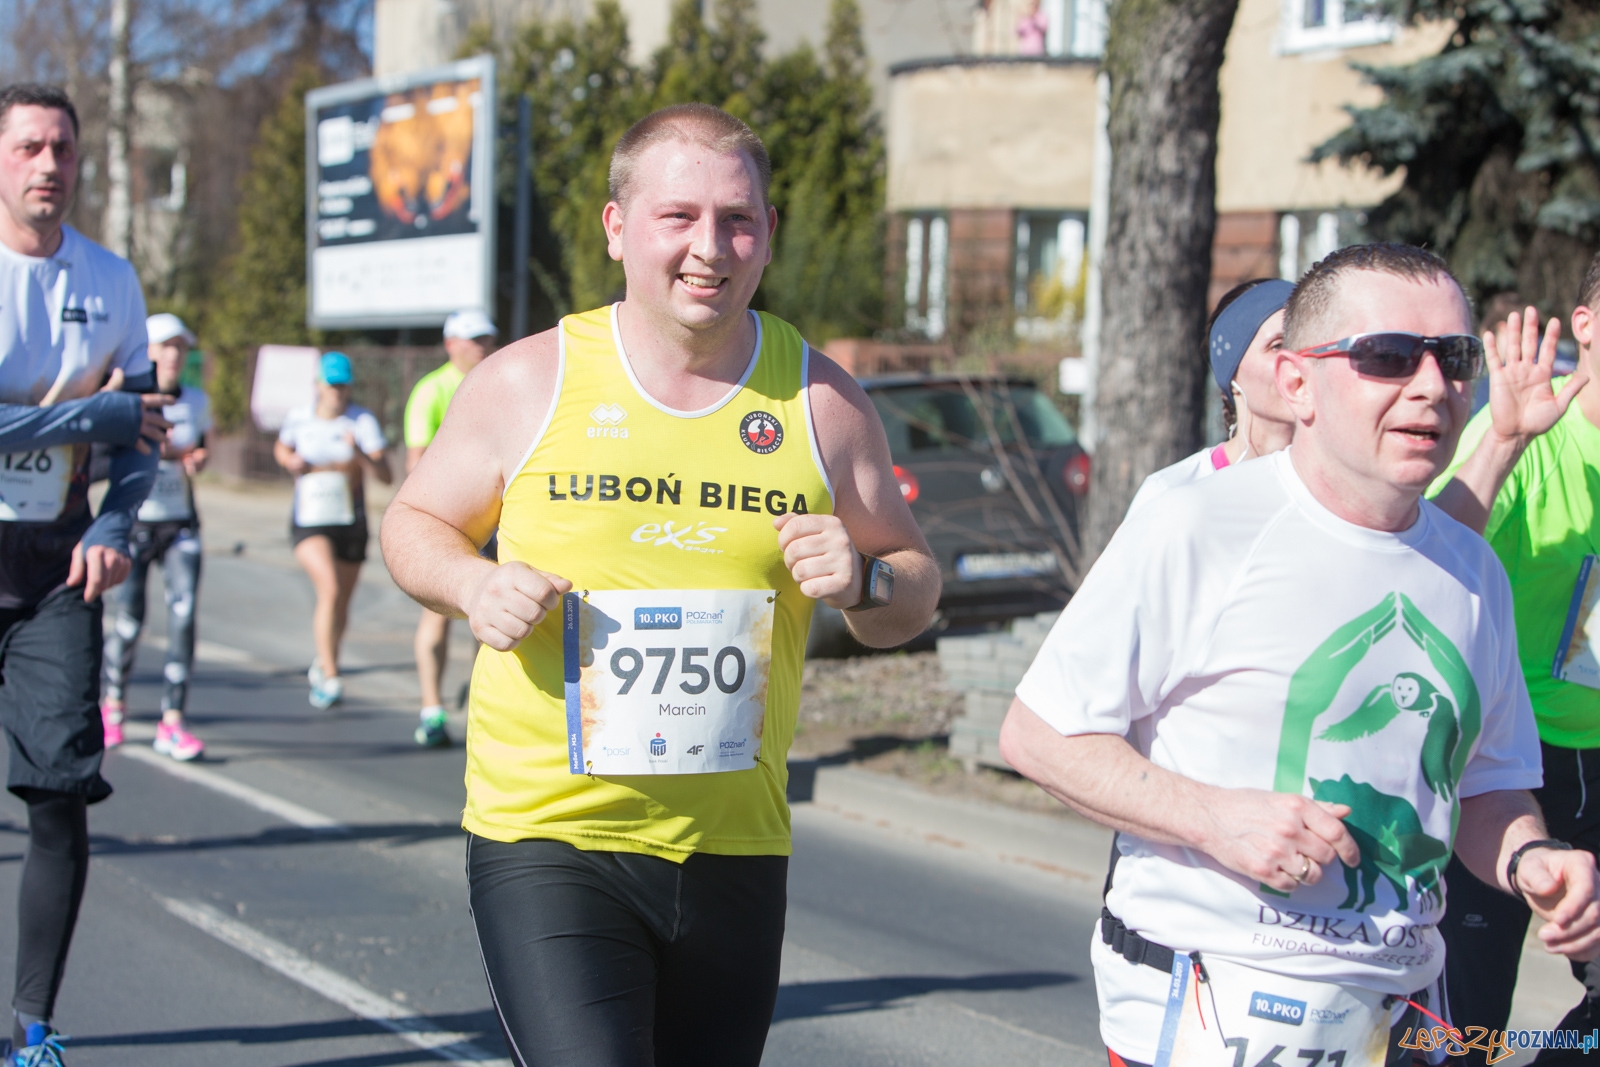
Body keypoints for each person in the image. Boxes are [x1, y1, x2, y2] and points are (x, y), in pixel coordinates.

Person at [380, 103, 940, 1065]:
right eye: (678, 217)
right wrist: (473, 586)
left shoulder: (819, 401)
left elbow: (917, 588)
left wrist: (864, 577)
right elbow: (412, 523)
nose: (709, 249)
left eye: (739, 220)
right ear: (617, 228)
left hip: (734, 844)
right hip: (547, 834)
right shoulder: (529, 382)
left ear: (767, 235)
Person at [997, 243, 1600, 1067]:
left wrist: (1533, 855)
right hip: (1201, 1013)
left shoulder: (1471, 571)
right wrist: (1218, 819)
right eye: (1387, 356)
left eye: (1454, 359)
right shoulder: (1197, 524)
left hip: (1395, 1017)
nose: (1431, 386)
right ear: (1296, 383)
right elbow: (1040, 735)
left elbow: (1488, 781)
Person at [0, 83, 170, 1063]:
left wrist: (114, 518)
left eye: (62, 148)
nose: (48, 166)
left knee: (60, 791)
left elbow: (141, 432)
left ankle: (33, 1028)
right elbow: (106, 417)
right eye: (28, 146)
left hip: (60, 561)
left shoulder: (111, 278)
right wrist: (89, 416)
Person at [1432, 267, 1600, 1063]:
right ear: (1586, 327)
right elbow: (1429, 561)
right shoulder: (1534, 438)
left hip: (1598, 762)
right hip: (1503, 766)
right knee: (1464, 1023)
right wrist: (1501, 439)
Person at [99, 313, 211, 762]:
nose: (172, 356)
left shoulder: (197, 400)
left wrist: (197, 458)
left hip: (180, 520)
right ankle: (113, 708)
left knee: (183, 619)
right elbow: (113, 451)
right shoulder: (130, 397)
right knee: (128, 622)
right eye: (164, 346)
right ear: (147, 352)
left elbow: (199, 445)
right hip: (134, 521)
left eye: (180, 348)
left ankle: (173, 722)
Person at [274, 352, 390, 710]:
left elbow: (386, 476)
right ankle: (330, 672)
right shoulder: (300, 418)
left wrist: (361, 455)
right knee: (330, 586)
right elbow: (282, 446)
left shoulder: (361, 421)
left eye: (343, 386)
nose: (337, 393)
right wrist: (288, 460)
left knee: (341, 601)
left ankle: (325, 658)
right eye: (331, 385)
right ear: (318, 386)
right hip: (310, 519)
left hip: (350, 519)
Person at [403, 308, 497, 748]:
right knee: (438, 615)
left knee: (492, 614)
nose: (482, 346)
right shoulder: (432, 389)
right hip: (452, 522)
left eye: (486, 339)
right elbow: (416, 464)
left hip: (498, 520)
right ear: (451, 345)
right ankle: (432, 707)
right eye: (473, 340)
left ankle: (485, 710)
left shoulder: (499, 384)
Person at [1126, 278, 1293, 512]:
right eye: (1278, 345)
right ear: (1231, 373)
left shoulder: (1343, 493)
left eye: (1307, 343)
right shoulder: (1170, 494)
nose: (1299, 360)